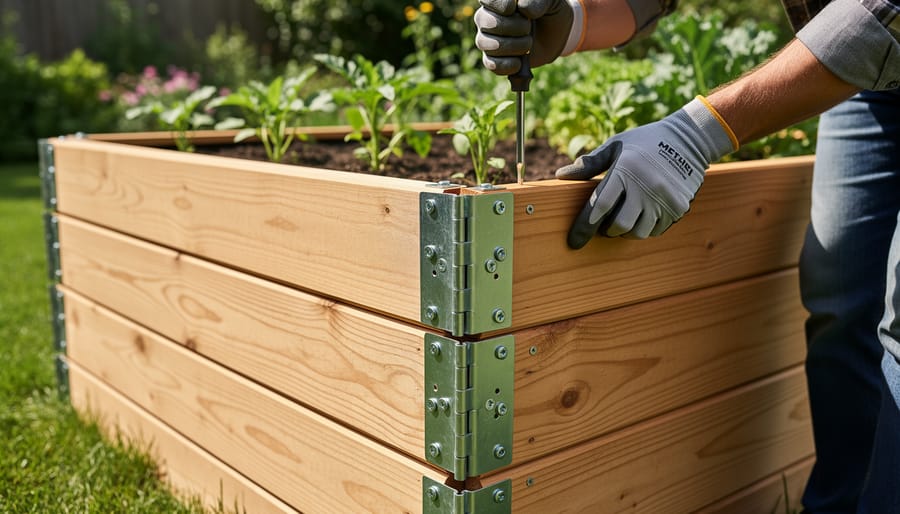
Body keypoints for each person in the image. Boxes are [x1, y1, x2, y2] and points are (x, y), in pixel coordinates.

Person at [474, 0, 900, 511]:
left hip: (876, 30)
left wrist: (693, 134)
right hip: (873, 87)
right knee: (839, 291)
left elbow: (879, 17)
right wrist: (574, 20)